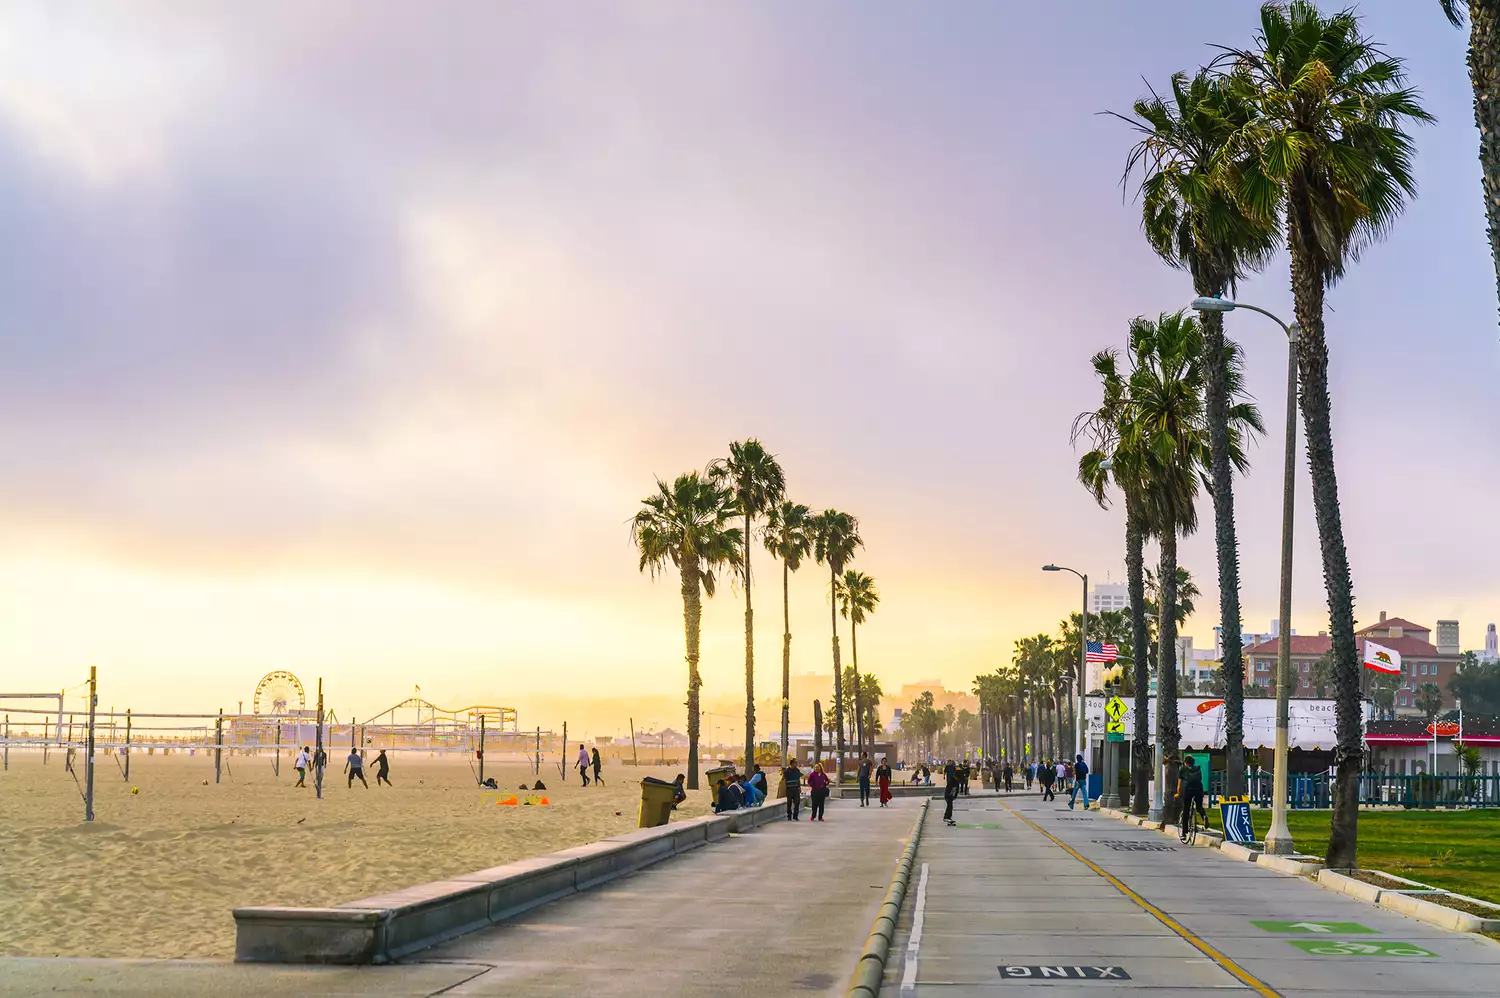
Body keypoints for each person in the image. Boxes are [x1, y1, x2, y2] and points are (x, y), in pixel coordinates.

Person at [1177, 757, 1207, 837]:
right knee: (1199, 806)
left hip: (1189, 790)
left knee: (1186, 809)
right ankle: (1204, 816)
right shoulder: (1197, 769)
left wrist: (1178, 794)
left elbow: (1179, 785)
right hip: (1199, 789)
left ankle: (1184, 832)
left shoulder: (1183, 769)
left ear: (1185, 762)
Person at [942, 759, 958, 826]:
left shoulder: (951, 768)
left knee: (950, 806)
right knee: (950, 805)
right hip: (948, 793)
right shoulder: (953, 781)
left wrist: (954, 796)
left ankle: (948, 817)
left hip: (950, 792)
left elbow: (956, 790)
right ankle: (946, 817)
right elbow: (952, 789)